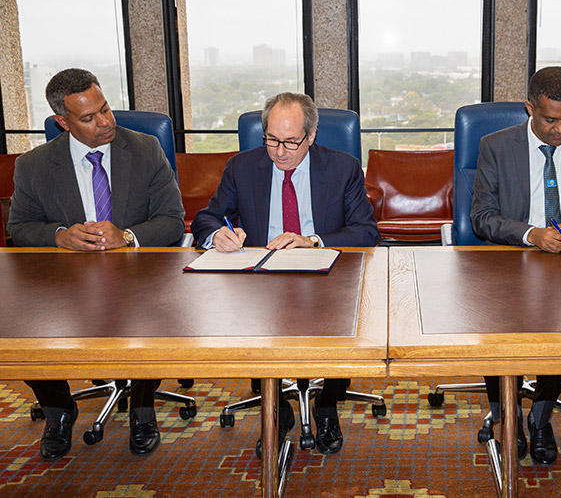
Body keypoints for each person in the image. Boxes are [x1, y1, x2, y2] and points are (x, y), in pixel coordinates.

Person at [8, 68, 185, 459]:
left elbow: (173, 220)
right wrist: (60, 235)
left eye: (105, 109)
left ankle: (142, 408)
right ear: (63, 122)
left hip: (136, 275)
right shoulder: (34, 165)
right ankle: (58, 410)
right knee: (23, 330)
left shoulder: (144, 149)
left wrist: (126, 236)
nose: (105, 122)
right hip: (65, 281)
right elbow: (19, 227)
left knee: (153, 317)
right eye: (88, 118)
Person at [191, 92, 379, 457]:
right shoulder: (241, 167)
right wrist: (219, 234)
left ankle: (326, 405)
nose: (279, 151)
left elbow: (366, 231)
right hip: (261, 280)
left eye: (291, 142)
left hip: (325, 277)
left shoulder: (343, 168)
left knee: (345, 320)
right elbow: (207, 217)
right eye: (272, 140)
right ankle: (276, 412)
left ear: (311, 136)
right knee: (251, 325)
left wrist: (313, 241)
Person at [471, 66, 561, 463]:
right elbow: (481, 217)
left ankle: (541, 417)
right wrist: (531, 234)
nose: (559, 129)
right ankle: (508, 414)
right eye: (550, 119)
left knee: (560, 332)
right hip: (507, 261)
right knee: (496, 331)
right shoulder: (495, 146)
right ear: (529, 108)